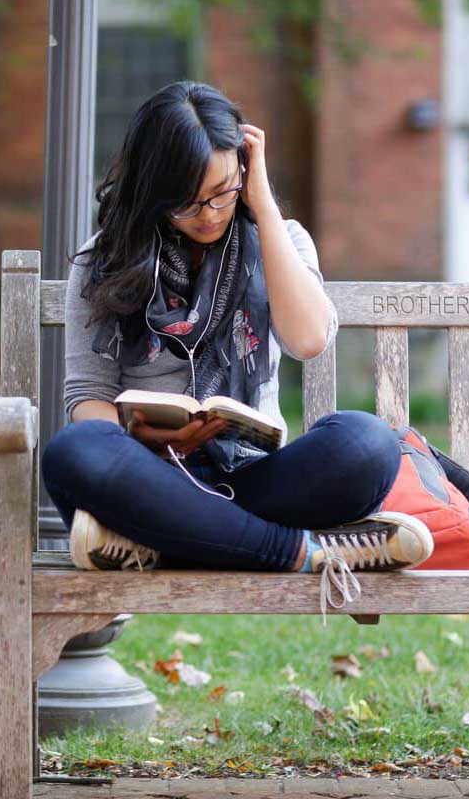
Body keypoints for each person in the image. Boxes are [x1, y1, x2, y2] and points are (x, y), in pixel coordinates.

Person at [41, 80, 433, 610]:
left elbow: (309, 339)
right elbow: (87, 396)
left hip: (253, 478)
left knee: (366, 444)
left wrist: (263, 207)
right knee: (76, 451)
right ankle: (301, 551)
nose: (208, 215)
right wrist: (146, 443)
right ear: (152, 190)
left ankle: (153, 543)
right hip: (150, 479)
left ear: (244, 172)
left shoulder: (281, 239)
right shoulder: (104, 259)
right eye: (186, 202)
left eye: (223, 193)